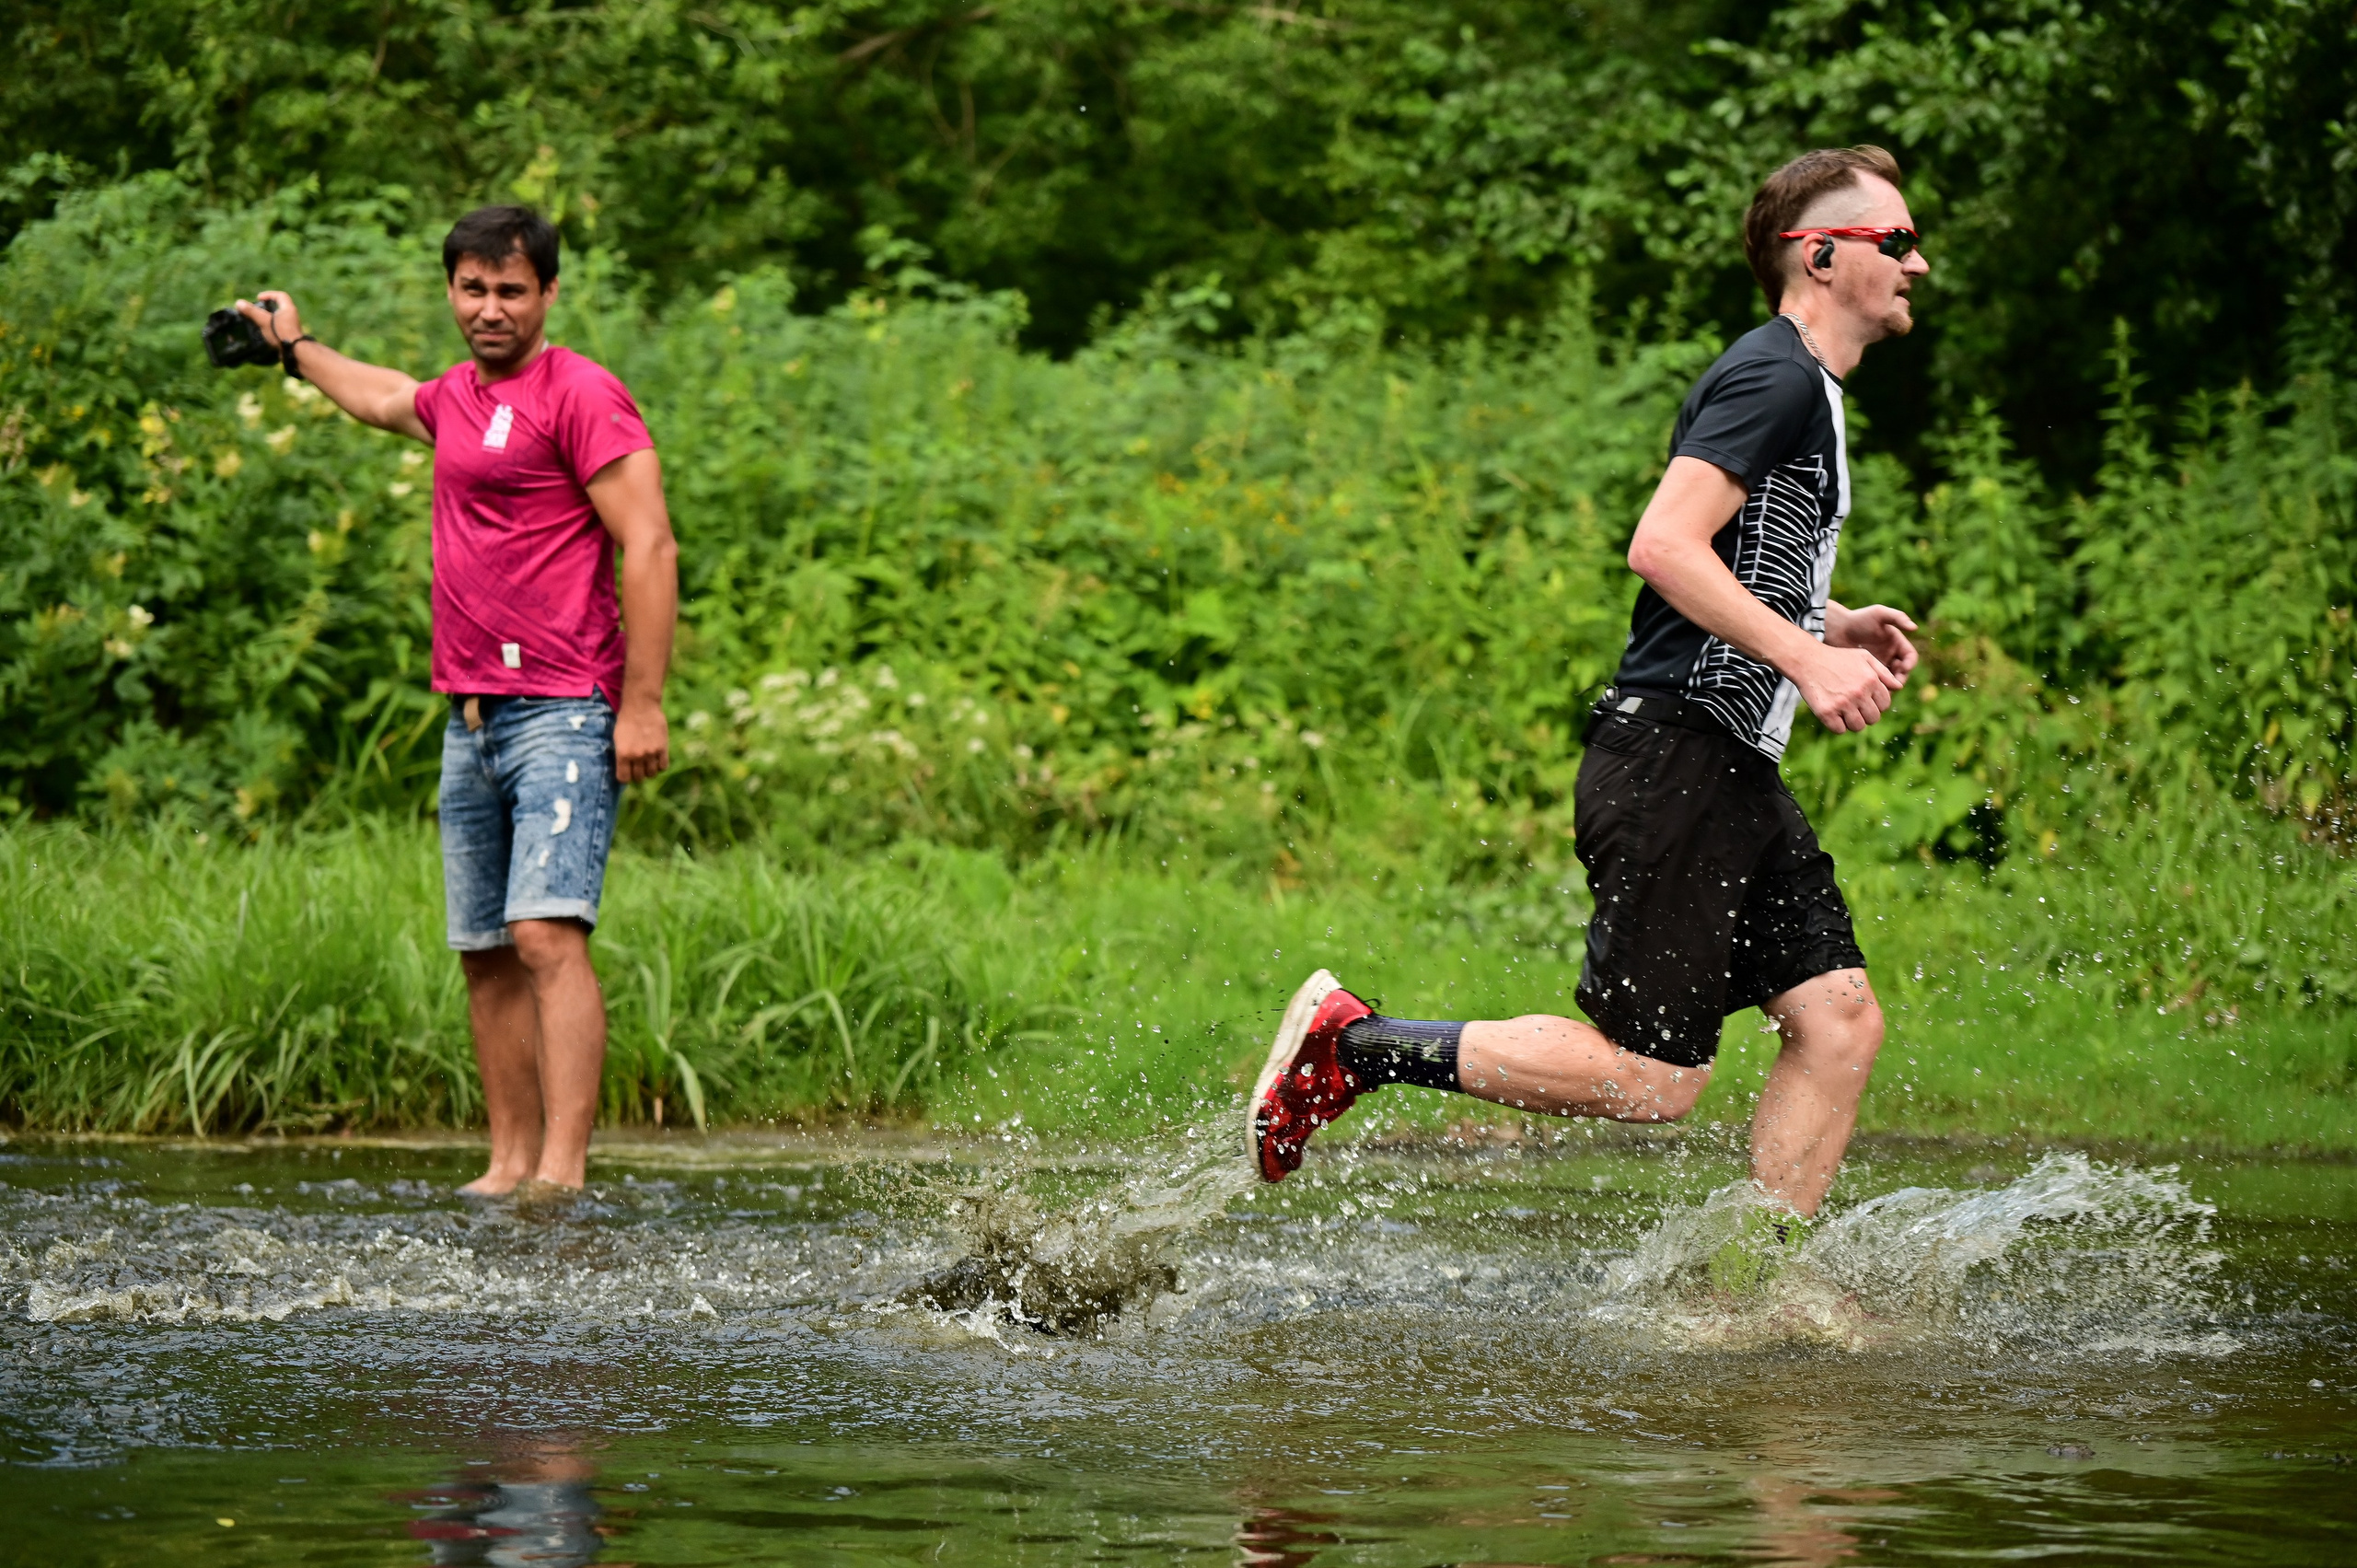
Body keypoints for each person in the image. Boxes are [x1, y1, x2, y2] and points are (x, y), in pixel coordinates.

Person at [1248, 146, 1931, 1277]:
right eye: (1894, 242)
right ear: (1819, 256)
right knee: (1651, 1077)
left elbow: (1726, 549)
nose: (1917, 262)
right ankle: (1354, 1045)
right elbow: (1662, 544)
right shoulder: (1776, 376)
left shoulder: (1798, 382)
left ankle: (1754, 1286)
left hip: (1726, 765)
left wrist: (1827, 613)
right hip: (1677, 754)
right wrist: (1806, 660)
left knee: (1838, 1021)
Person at [235, 206, 679, 1196]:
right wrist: (293, 348)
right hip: (470, 716)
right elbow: (387, 397)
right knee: (484, 952)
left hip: (564, 704)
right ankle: (507, 1162)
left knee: (544, 935)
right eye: (472, 289)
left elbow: (648, 543)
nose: (490, 308)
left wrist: (641, 703)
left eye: (511, 290)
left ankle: (560, 1175)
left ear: (548, 294)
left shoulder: (584, 394)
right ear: (451, 292)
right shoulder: (459, 399)